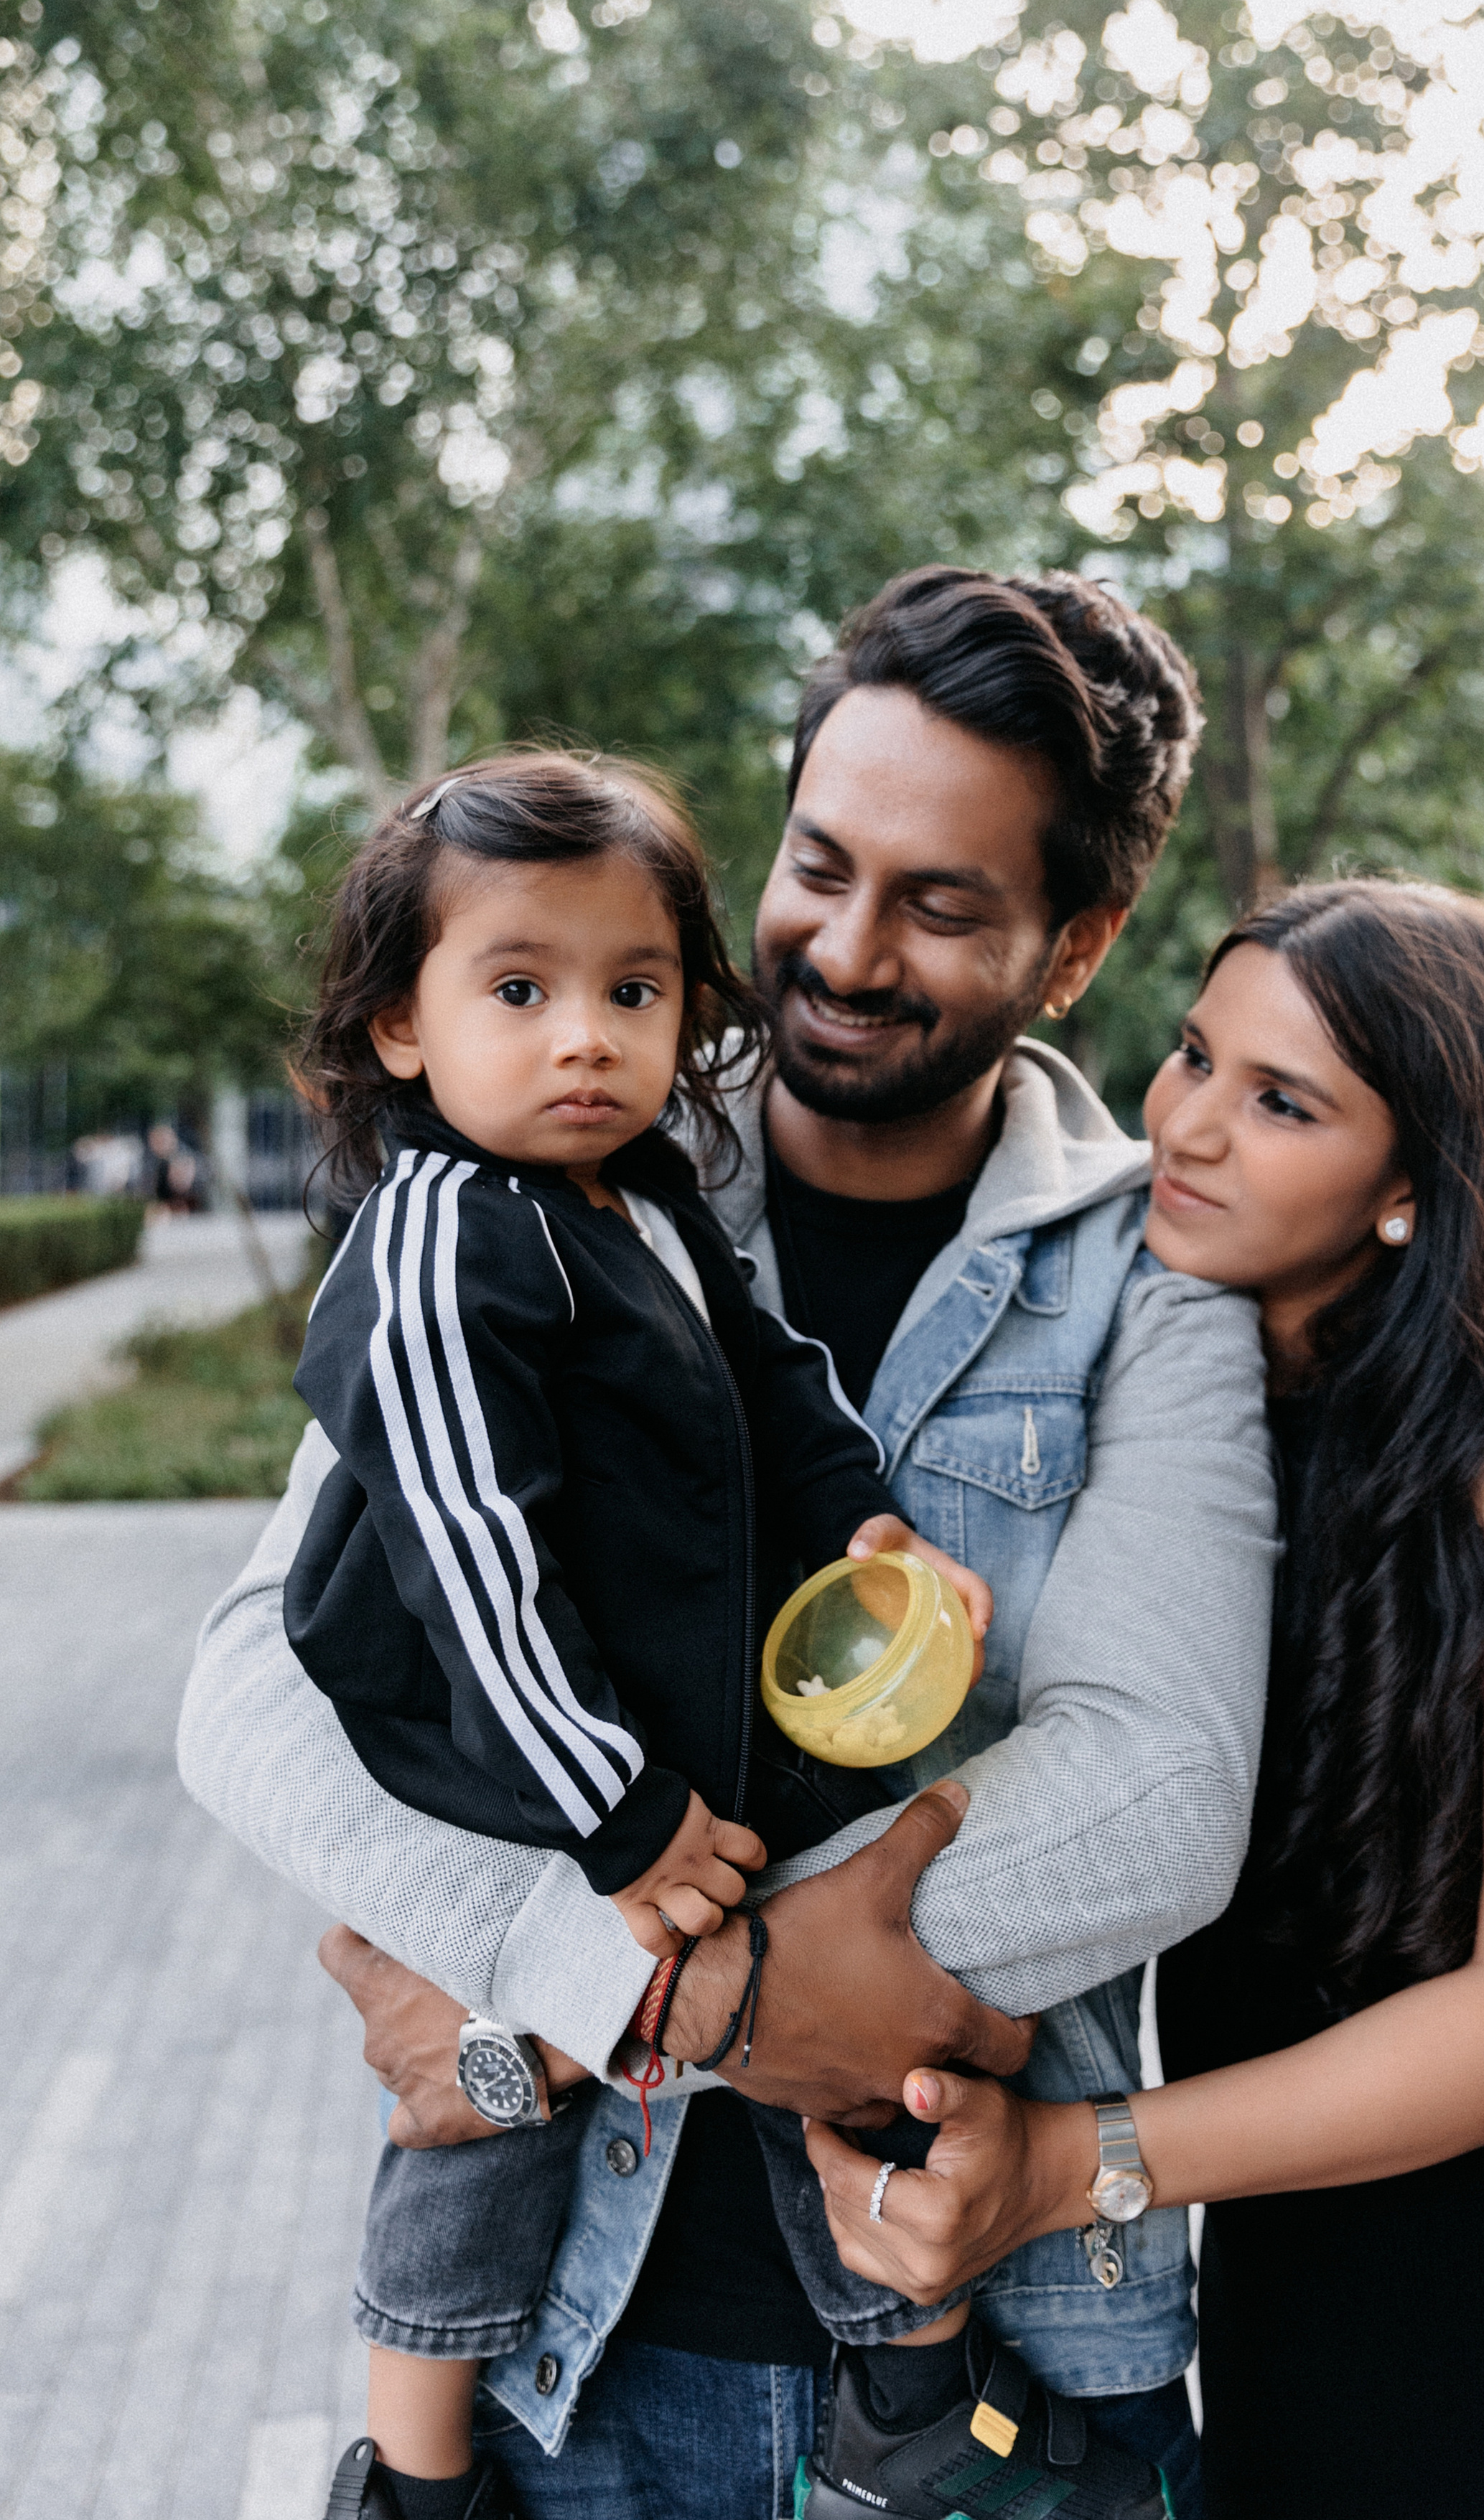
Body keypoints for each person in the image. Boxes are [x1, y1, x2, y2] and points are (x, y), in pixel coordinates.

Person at [177, 566, 1279, 2520]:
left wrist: (592, 1999)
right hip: (568, 2370)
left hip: (997, 2356)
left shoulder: (1149, 1276)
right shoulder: (550, 1171)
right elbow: (256, 1688)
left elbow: (1162, 1794)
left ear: (1076, 946)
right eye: (818, 865)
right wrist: (620, 1979)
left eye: (939, 903)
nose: (843, 948)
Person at [807, 877, 1484, 2520]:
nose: (1188, 1126)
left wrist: (1074, 2164)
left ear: (1413, 1182)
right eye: (1191, 1056)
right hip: (1317, 2184)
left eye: (1280, 1101)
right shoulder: (1153, 1358)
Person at [279, 749, 1014, 2519]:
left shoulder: (646, 1202)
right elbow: (470, 1558)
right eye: (517, 991)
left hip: (649, 1742)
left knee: (830, 2027)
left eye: (631, 990)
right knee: (484, 2115)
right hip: (498, 1755)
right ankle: (417, 2475)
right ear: (400, 1026)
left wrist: (861, 1519)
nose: (584, 1039)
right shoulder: (438, 1238)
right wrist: (613, 1814)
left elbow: (774, 1378)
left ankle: (907, 2387)